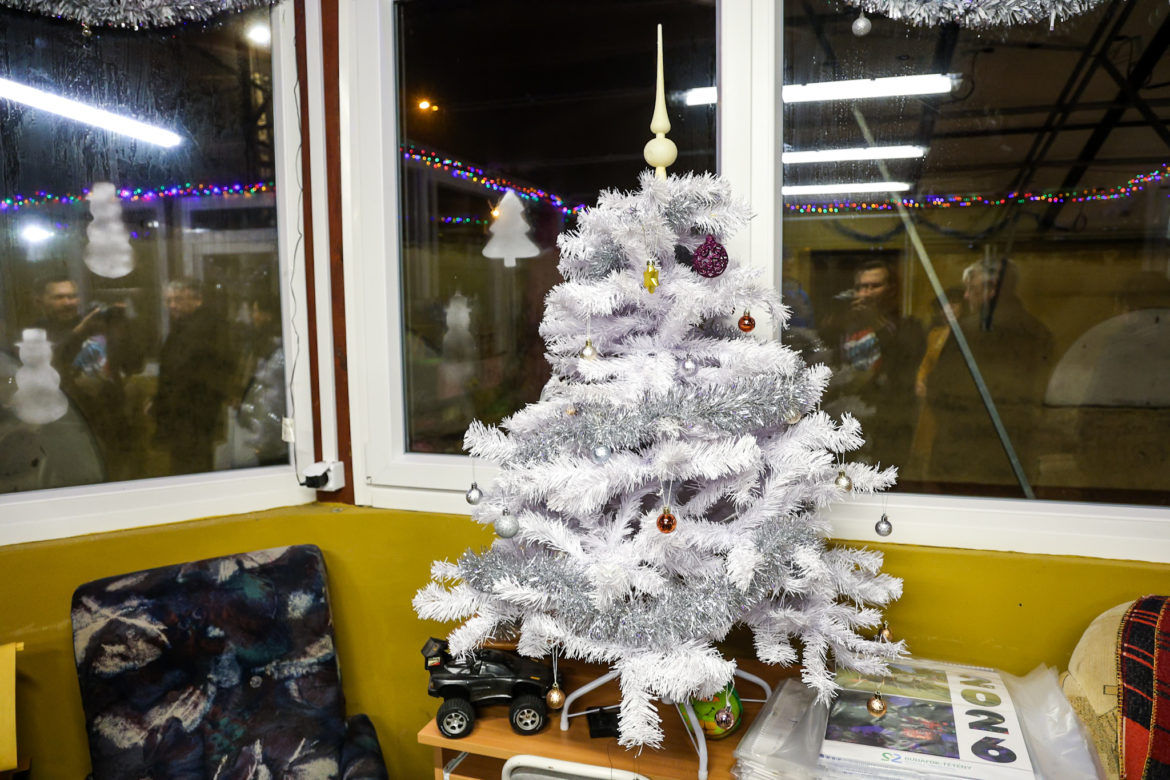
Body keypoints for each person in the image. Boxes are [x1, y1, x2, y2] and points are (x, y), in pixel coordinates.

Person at [923, 258, 1054, 492]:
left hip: (964, 456)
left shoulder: (967, 332)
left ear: (992, 290)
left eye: (971, 289)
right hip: (1016, 454)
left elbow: (940, 389)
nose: (965, 296)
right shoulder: (1039, 331)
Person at [31, 273, 144, 480]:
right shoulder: (34, 334)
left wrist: (123, 332)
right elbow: (46, 366)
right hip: (68, 428)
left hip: (112, 423)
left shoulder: (95, 325)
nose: (68, 302)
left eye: (72, 296)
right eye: (59, 297)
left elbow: (135, 366)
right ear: (40, 301)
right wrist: (79, 333)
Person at [822, 258, 926, 468]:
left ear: (891, 290)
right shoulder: (844, 325)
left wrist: (876, 323)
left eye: (874, 286)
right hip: (845, 419)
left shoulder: (909, 326)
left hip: (889, 423)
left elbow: (906, 362)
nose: (866, 293)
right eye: (861, 287)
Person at [152, 278, 234, 475]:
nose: (172, 305)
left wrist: (162, 401)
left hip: (193, 412)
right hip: (187, 413)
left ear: (197, 300)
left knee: (192, 468)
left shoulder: (204, 327)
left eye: (178, 299)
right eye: (169, 300)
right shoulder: (185, 326)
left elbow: (183, 372)